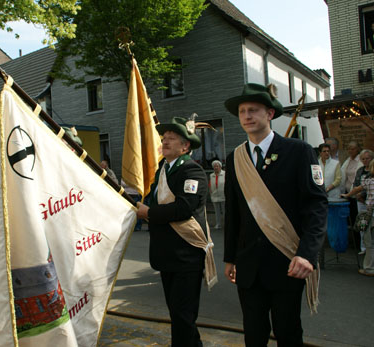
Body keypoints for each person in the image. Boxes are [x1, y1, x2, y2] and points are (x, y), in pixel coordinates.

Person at [223, 83, 327, 346]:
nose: (247, 116)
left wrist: (307, 254)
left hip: (287, 261)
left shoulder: (299, 151)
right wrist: (230, 258)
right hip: (248, 266)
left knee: (288, 333)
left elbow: (316, 207)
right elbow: (234, 213)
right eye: (242, 111)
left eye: (254, 110)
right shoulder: (235, 158)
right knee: (253, 335)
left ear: (269, 114)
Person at [137, 117, 215, 347]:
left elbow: (183, 208)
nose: (165, 142)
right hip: (167, 256)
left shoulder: (192, 171)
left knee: (183, 317)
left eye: (171, 139)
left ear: (185, 146)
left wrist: (148, 213)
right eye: (164, 138)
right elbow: (152, 198)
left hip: (186, 256)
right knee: (180, 317)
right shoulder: (163, 168)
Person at [342, 159, 374, 277]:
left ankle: (369, 268)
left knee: (369, 241)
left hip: (371, 214)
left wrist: (347, 195)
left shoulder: (369, 180)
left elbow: (356, 189)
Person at [352, 149, 374, 255]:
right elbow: (356, 184)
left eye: (367, 158)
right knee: (362, 224)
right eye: (363, 159)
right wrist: (357, 196)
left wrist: (363, 195)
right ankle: (363, 248)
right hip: (360, 201)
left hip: (369, 202)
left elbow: (366, 187)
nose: (365, 161)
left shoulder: (372, 173)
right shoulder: (360, 170)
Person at [341, 141, 363, 225]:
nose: (350, 151)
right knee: (351, 217)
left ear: (357, 149)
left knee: (358, 217)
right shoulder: (348, 160)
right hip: (348, 193)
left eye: (352, 149)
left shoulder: (360, 161)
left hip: (358, 194)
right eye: (348, 149)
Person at [209, 160, 225, 229]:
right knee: (217, 212)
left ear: (220, 167)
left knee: (225, 211)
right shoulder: (211, 175)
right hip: (215, 195)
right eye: (214, 166)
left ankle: (226, 224)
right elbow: (210, 185)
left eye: (217, 166)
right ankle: (218, 224)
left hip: (223, 196)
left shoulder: (224, 174)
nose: (216, 168)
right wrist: (211, 193)